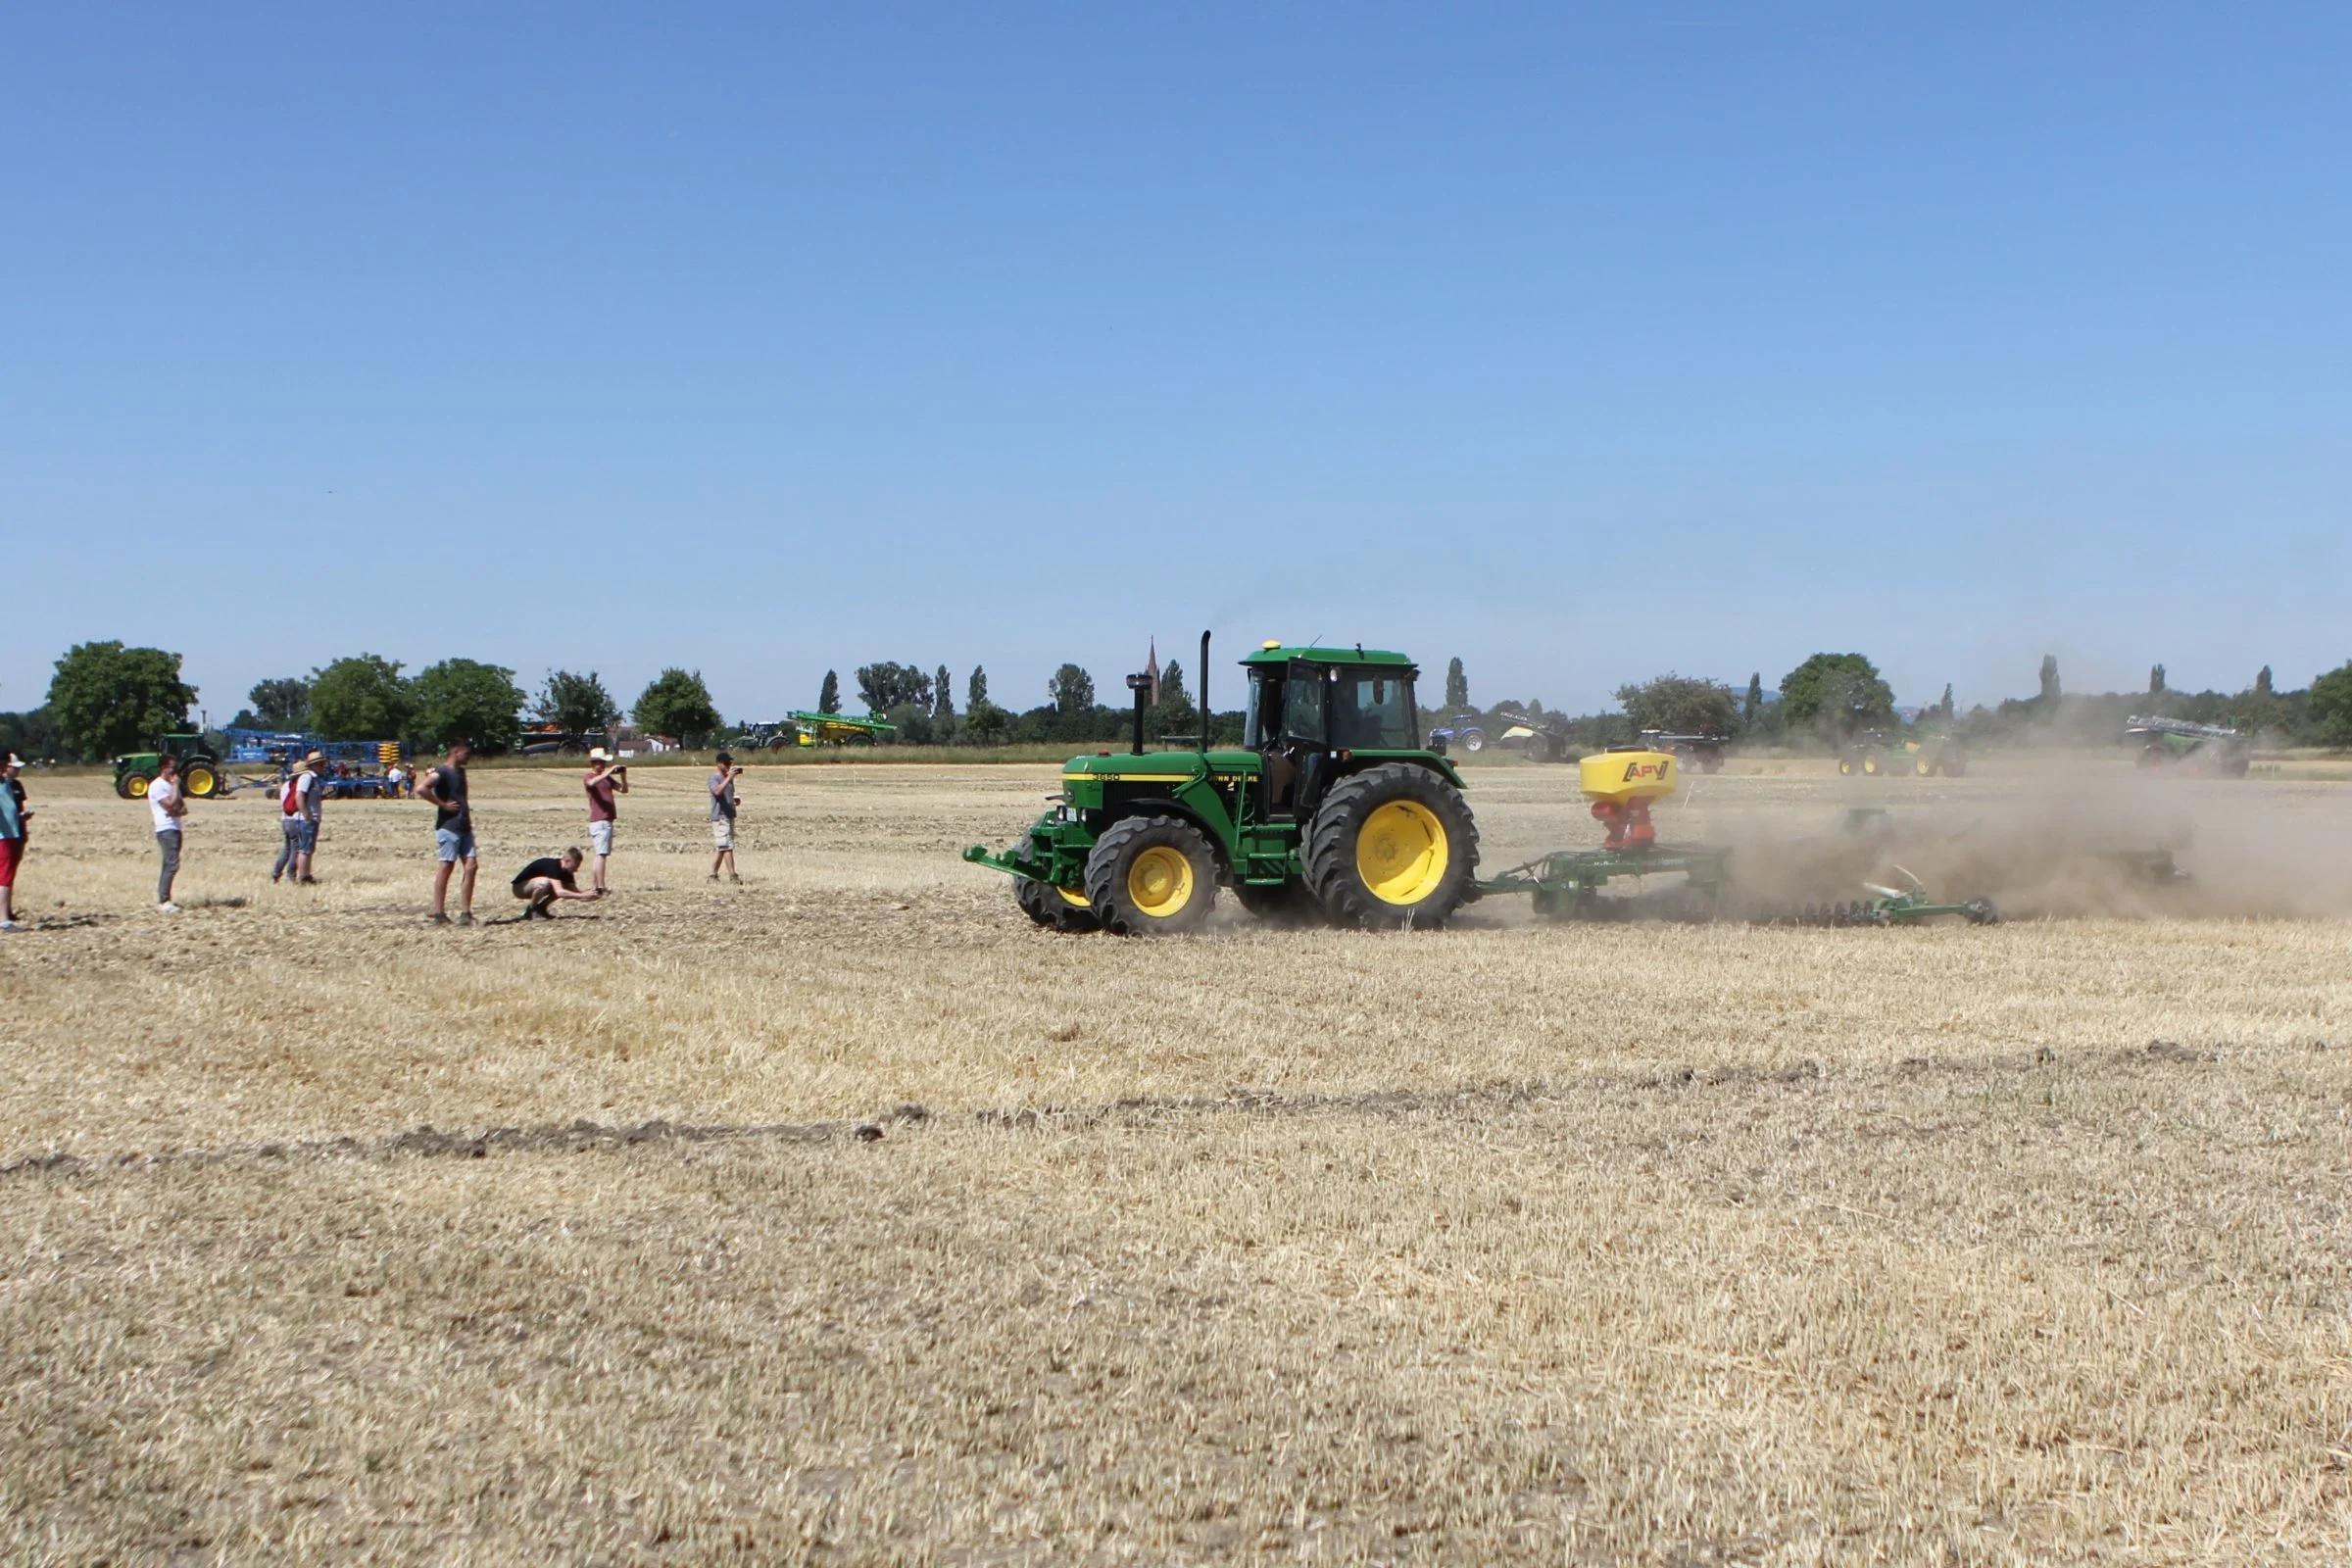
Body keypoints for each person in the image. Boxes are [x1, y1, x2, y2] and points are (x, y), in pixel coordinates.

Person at [415, 739, 478, 925]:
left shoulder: (460, 771)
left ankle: (466, 913)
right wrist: (442, 805)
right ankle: (439, 914)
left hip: (464, 826)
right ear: (456, 752)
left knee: (472, 866)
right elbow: (421, 788)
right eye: (466, 753)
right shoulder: (442, 772)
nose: (469, 757)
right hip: (449, 827)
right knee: (446, 867)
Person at [272, 752, 327, 885]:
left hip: (286, 818)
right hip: (297, 819)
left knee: (288, 849)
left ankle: (276, 873)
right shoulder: (306, 779)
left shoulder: (287, 784)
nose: (323, 766)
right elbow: (299, 797)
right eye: (321, 764)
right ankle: (294, 876)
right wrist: (307, 814)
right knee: (300, 849)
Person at [582, 748, 628, 895]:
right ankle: (600, 886)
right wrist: (609, 772)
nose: (602, 766)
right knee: (601, 854)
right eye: (600, 763)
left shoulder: (606, 778)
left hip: (607, 820)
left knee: (601, 854)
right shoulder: (589, 776)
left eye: (603, 763)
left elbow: (624, 790)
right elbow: (591, 783)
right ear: (593, 763)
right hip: (599, 820)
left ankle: (596, 886)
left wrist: (623, 777)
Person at [510, 847, 604, 918]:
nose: (576, 869)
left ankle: (541, 908)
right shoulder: (553, 866)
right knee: (544, 883)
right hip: (520, 888)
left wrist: (591, 895)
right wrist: (583, 895)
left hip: (533, 887)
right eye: (576, 865)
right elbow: (560, 892)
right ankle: (531, 910)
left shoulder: (567, 872)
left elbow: (576, 893)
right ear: (567, 861)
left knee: (563, 886)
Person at [150, 753, 187, 912]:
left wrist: (176, 809)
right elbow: (171, 804)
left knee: (169, 864)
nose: (175, 772)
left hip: (175, 828)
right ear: (163, 768)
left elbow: (182, 808)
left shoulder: (170, 786)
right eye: (172, 768)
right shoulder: (157, 786)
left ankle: (165, 898)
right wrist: (175, 786)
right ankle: (164, 901)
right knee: (171, 865)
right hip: (166, 829)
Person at [0, 752, 25, 931]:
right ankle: (3, 920)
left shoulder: (9, 784)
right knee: (4, 878)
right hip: (4, 836)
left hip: (11, 834)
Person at [709, 751, 743, 882]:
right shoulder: (714, 778)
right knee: (727, 847)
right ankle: (733, 875)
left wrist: (734, 800)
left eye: (730, 763)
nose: (729, 766)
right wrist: (728, 778)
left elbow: (728, 794)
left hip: (729, 815)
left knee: (723, 846)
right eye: (726, 763)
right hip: (719, 816)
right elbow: (717, 791)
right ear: (718, 764)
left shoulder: (728, 779)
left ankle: (713, 874)